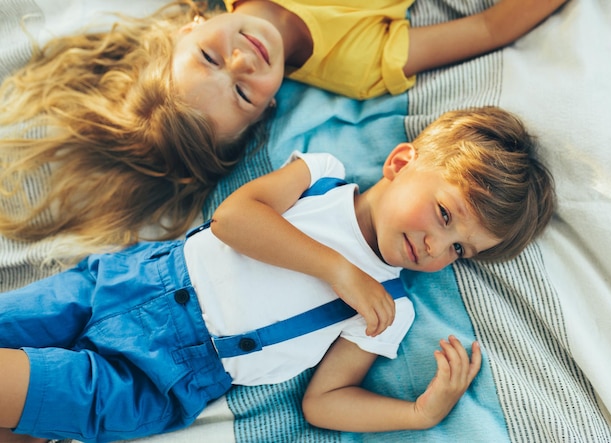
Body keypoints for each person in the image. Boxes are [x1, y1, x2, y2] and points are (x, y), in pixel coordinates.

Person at [0, 106, 555, 443]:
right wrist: (339, 269)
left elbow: (324, 401)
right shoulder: (321, 177)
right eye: (443, 212)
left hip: (162, 376)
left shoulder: (388, 311)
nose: (437, 245)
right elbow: (234, 220)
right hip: (126, 283)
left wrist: (417, 414)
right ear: (402, 164)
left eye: (460, 249)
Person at [0, 0, 565, 258]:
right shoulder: (356, 65)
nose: (243, 64)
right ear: (265, 110)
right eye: (243, 93)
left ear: (189, 24)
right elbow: (489, 25)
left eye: (208, 59)